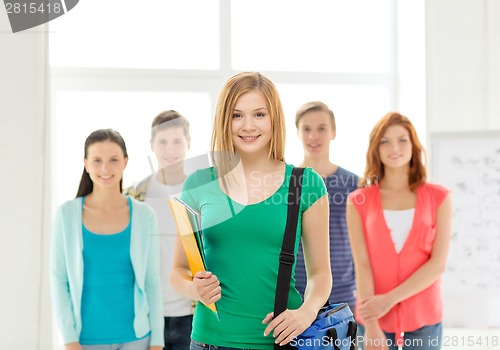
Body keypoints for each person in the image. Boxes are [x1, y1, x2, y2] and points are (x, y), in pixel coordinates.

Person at [170, 72, 332, 349]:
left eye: (259, 114)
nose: (247, 126)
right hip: (210, 341)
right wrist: (193, 288)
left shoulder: (306, 184)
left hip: (280, 341)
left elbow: (320, 274)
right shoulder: (198, 183)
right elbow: (178, 271)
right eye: (236, 115)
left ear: (274, 120)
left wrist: (306, 313)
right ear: (224, 120)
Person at [50, 129, 164, 350]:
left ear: (125, 162)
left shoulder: (144, 215)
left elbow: (152, 280)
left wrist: (157, 342)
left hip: (137, 338)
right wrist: (69, 339)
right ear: (85, 164)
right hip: (85, 341)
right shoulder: (66, 214)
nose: (105, 168)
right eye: (97, 160)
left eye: (113, 160)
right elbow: (58, 279)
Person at [346, 112, 451, 350]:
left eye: (402, 140)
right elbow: (362, 263)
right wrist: (371, 324)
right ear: (376, 147)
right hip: (374, 318)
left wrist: (389, 300)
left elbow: (438, 264)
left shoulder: (439, 197)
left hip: (424, 315)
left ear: (413, 145)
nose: (395, 147)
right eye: (385, 141)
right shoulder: (358, 201)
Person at [126, 111, 194, 350]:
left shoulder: (200, 191)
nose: (170, 149)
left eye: (177, 141)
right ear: (152, 145)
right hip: (145, 312)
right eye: (163, 142)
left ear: (188, 143)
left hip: (192, 312)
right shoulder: (136, 194)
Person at [293, 101, 358, 312]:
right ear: (298, 133)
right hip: (295, 297)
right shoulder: (285, 182)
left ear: (334, 132)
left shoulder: (354, 184)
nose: (314, 136)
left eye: (321, 128)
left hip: (345, 297)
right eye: (306, 129)